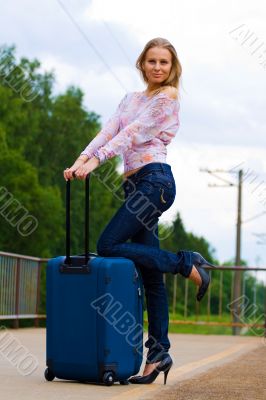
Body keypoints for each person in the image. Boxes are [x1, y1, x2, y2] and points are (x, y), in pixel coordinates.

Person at [63, 37, 215, 385]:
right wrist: (80, 160)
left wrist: (97, 162)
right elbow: (110, 129)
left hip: (155, 181)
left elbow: (133, 133)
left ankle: (185, 262)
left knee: (107, 245)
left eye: (164, 62)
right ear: (141, 64)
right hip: (135, 185)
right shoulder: (130, 98)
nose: (158, 68)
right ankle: (158, 354)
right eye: (152, 61)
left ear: (172, 67)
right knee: (150, 275)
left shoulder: (168, 97)